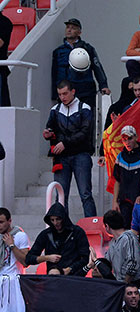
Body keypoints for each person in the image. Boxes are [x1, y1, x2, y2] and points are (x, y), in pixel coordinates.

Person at [43, 83, 96, 219]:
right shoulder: (55, 109)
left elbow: (85, 133)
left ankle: (91, 225)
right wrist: (48, 134)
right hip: (61, 157)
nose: (62, 97)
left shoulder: (84, 108)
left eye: (65, 94)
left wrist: (64, 143)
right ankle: (61, 226)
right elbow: (50, 128)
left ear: (73, 91)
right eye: (60, 94)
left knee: (85, 194)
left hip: (80, 154)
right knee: (61, 195)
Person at [51, 18, 109, 106]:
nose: (69, 30)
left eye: (73, 28)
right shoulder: (58, 51)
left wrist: (103, 85)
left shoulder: (87, 49)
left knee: (86, 113)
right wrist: (55, 93)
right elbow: (54, 73)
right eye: (68, 27)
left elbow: (97, 67)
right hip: (66, 91)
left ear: (79, 32)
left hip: (85, 90)